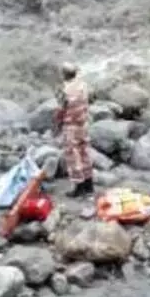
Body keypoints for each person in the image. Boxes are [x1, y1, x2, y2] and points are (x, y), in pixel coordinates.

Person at [55, 62, 94, 197]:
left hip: (70, 125)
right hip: (83, 124)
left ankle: (79, 186)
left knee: (73, 156)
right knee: (85, 153)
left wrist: (57, 124)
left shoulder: (64, 90)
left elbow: (61, 109)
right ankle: (89, 184)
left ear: (64, 75)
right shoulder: (83, 86)